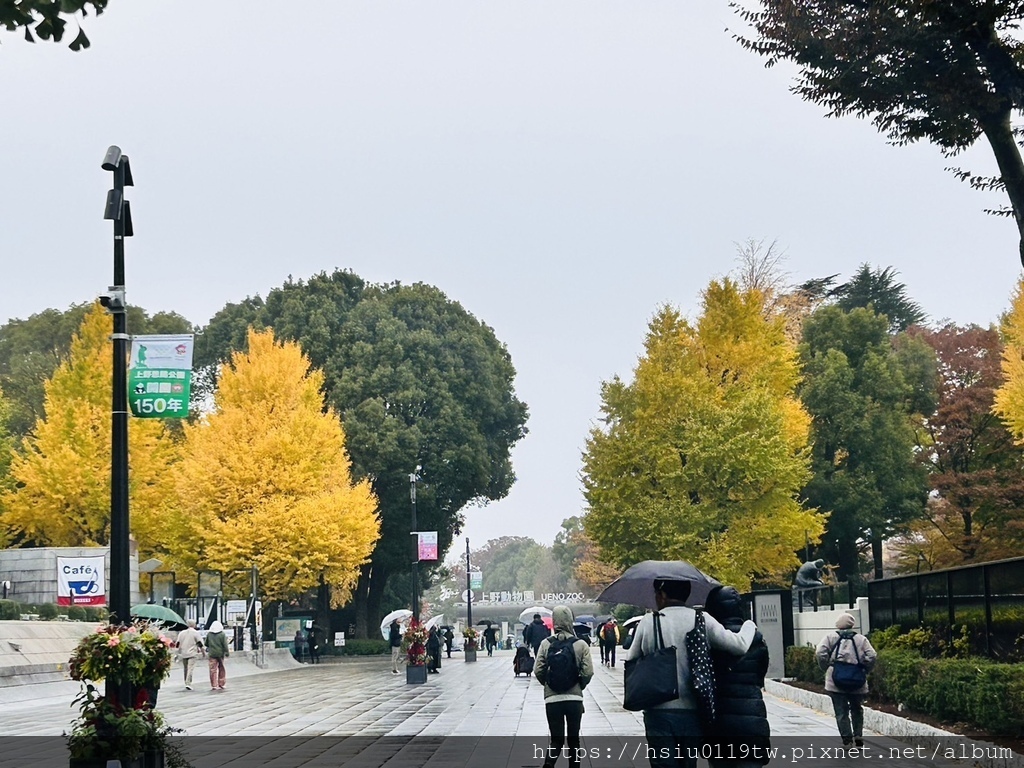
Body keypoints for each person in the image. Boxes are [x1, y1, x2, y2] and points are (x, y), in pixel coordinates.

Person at [625, 579, 757, 768]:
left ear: (662, 594)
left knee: (663, 764)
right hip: (692, 709)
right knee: (688, 764)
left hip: (657, 710)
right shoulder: (701, 619)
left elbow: (631, 658)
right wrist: (750, 625)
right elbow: (739, 645)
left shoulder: (648, 621)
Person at [705, 586, 771, 768]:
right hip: (751, 710)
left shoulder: (710, 637)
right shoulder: (755, 636)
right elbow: (761, 670)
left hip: (720, 714)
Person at [534, 605, 594, 768]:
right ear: (570, 620)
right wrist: (579, 685)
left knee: (556, 739)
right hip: (574, 699)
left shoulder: (546, 644)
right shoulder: (581, 644)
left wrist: (548, 685)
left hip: (553, 700)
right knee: (574, 739)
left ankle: (548, 765)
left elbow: (538, 670)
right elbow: (588, 671)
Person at [816, 613, 877, 747]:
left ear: (838, 624)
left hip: (835, 680)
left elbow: (820, 652)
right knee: (857, 708)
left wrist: (826, 667)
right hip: (857, 680)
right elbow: (872, 655)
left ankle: (847, 739)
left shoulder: (830, 637)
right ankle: (858, 735)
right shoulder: (861, 639)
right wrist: (865, 668)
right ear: (852, 624)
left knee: (841, 711)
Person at [176, 619, 205, 691]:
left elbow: (177, 643)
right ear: (193, 625)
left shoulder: (182, 633)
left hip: (184, 653)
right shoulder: (195, 633)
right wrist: (203, 652)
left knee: (185, 668)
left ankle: (186, 682)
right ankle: (188, 683)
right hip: (192, 653)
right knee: (190, 668)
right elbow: (200, 644)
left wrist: (177, 652)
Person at [205, 620, 229, 691]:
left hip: (212, 654)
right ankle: (221, 683)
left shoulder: (209, 634)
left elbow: (206, 643)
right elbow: (225, 644)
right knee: (221, 668)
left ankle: (214, 685)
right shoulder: (222, 634)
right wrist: (227, 652)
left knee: (213, 670)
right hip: (220, 654)